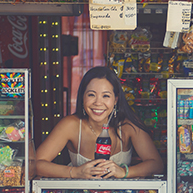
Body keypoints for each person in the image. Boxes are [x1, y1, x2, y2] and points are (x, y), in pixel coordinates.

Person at [35, 66, 163, 179]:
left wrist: (124, 172)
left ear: (115, 100)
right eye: (91, 95)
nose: (98, 103)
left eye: (106, 96)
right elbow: (36, 164)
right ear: (82, 97)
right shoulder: (71, 125)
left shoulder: (128, 125)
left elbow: (156, 165)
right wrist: (75, 172)